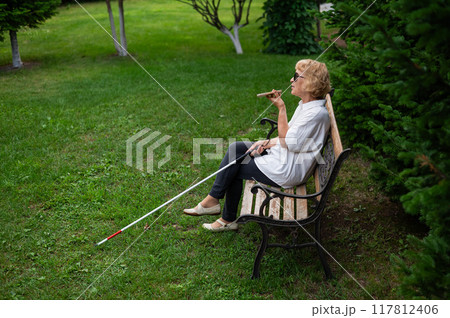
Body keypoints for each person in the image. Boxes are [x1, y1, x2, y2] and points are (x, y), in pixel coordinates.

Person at [183, 59, 332, 231]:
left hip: (288, 169)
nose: (291, 80)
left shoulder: (315, 114)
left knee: (235, 169)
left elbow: (288, 141)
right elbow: (292, 138)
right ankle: (213, 202)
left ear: (309, 83)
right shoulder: (307, 106)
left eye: (295, 76)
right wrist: (266, 143)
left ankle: (225, 217)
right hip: (285, 157)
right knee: (237, 148)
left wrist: (281, 109)